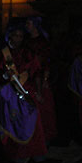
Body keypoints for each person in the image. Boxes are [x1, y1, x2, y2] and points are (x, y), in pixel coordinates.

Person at [0, 23, 46, 163]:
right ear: (10, 35)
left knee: (33, 121)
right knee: (14, 122)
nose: (18, 39)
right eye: (16, 35)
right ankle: (19, 154)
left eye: (21, 36)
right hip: (10, 93)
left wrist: (39, 92)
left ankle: (36, 151)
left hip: (27, 90)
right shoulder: (2, 54)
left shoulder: (28, 53)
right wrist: (5, 76)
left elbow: (36, 73)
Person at [25, 16, 58, 144]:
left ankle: (45, 135)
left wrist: (45, 78)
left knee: (44, 108)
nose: (27, 25)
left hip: (40, 79)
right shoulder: (26, 41)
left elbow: (47, 61)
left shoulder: (43, 42)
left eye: (29, 23)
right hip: (29, 78)